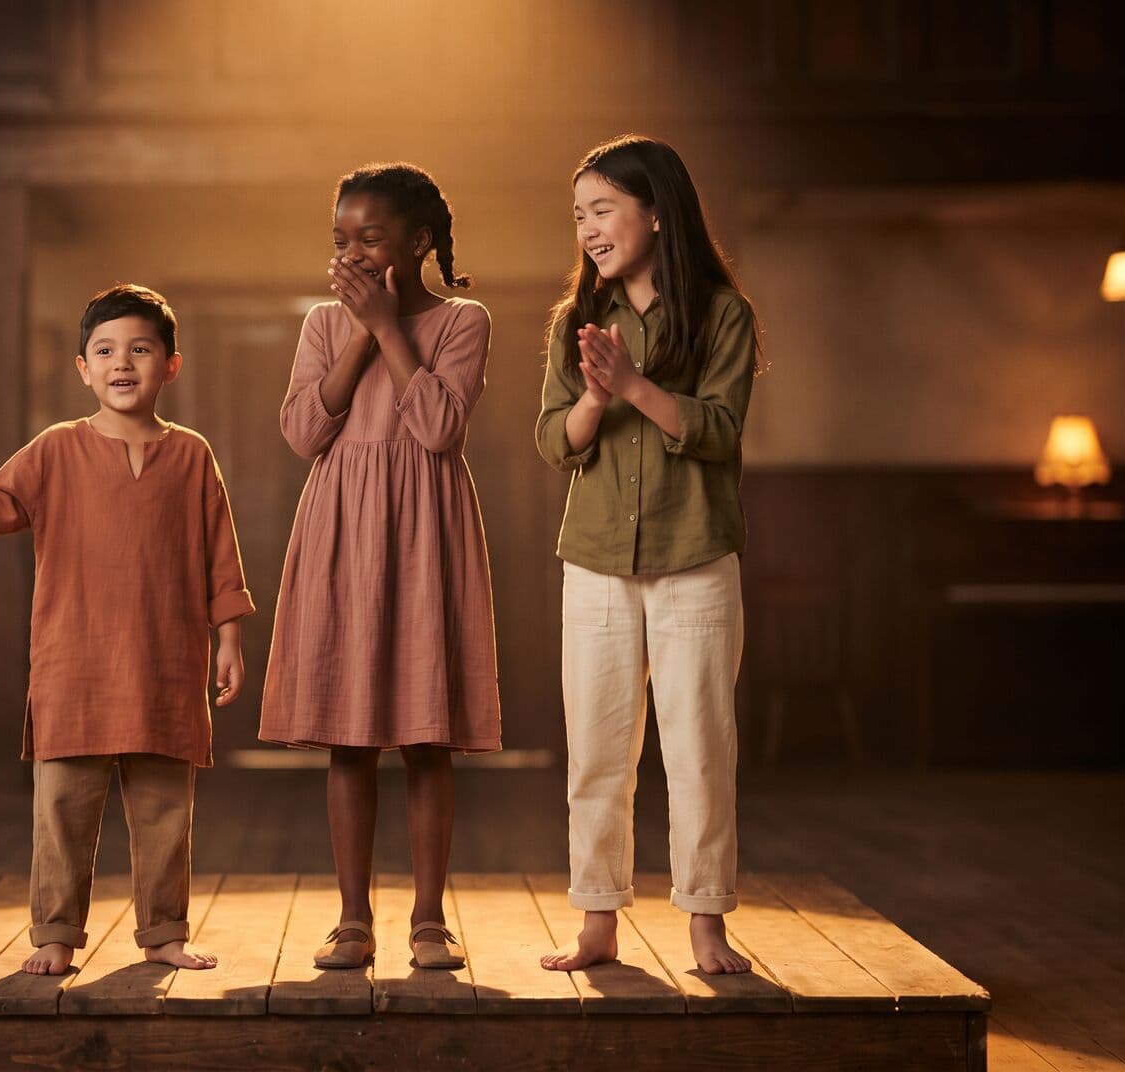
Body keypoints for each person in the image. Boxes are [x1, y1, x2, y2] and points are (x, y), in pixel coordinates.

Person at [0, 284, 254, 976]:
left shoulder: (192, 457)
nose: (122, 363)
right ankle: (56, 933)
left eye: (140, 350)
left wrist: (229, 640)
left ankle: (164, 933)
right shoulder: (57, 448)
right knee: (63, 806)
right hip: (76, 661)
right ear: (83, 369)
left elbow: (221, 551)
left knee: (165, 810)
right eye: (106, 351)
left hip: (166, 661)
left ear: (171, 366)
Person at [261, 163, 500, 971]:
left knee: (426, 734)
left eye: (372, 237)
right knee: (349, 736)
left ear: (420, 241)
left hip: (425, 527)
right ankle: (353, 918)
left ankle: (430, 919)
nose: (354, 254)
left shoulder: (464, 320)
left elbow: (436, 429)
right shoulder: (325, 326)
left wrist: (391, 327)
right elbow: (301, 434)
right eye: (341, 241)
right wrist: (361, 329)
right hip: (341, 527)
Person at [533, 134, 763, 975]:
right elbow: (553, 439)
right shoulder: (575, 322)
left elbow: (721, 432)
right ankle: (596, 922)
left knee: (700, 747)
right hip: (594, 560)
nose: (589, 229)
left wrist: (634, 387)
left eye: (604, 209)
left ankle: (707, 925)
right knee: (597, 749)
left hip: (695, 558)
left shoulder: (722, 316)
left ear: (655, 211)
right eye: (580, 216)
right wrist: (596, 400)